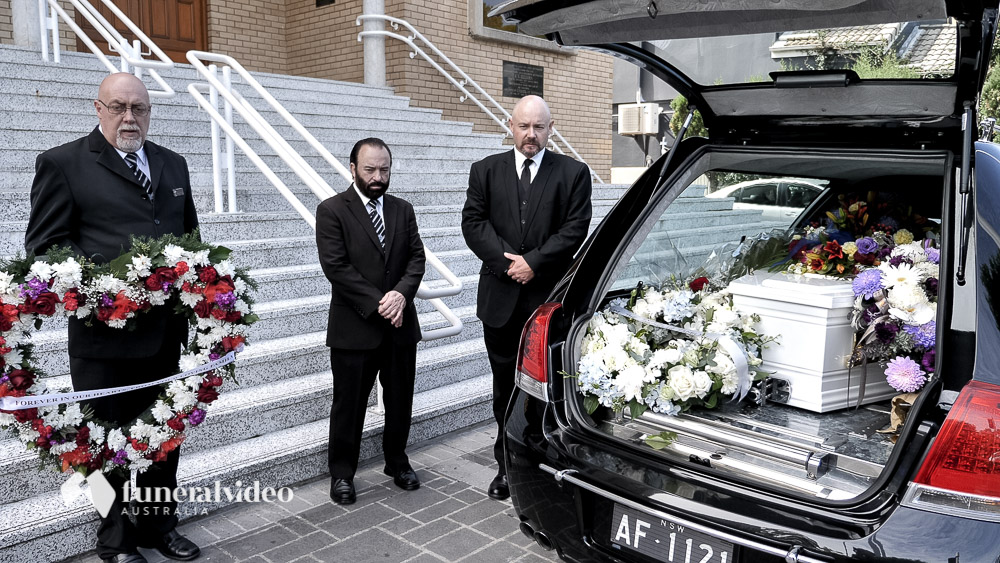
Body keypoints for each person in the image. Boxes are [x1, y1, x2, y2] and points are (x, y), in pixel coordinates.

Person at [24, 73, 200, 563]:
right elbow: (45, 246)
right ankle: (114, 539)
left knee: (164, 436)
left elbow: (190, 238)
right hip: (103, 338)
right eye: (118, 106)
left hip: (164, 334)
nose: (129, 118)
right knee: (102, 445)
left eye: (139, 108)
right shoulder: (63, 163)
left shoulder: (172, 163)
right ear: (98, 108)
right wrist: (107, 288)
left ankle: (159, 526)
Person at [461, 95, 592, 500]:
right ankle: (506, 467)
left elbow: (575, 228)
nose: (530, 134)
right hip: (499, 302)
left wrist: (533, 262)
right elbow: (473, 223)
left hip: (547, 304)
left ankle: (546, 465)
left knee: (548, 389)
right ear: (511, 126)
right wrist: (509, 265)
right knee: (504, 389)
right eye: (523, 126)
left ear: (551, 128)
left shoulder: (573, 173)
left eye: (538, 126)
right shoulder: (485, 170)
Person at [316, 138, 426, 505]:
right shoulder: (332, 210)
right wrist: (381, 302)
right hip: (355, 328)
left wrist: (401, 294)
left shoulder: (403, 210)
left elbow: (416, 258)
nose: (378, 177)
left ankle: (397, 462)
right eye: (370, 169)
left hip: (399, 325)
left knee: (400, 400)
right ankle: (342, 473)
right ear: (353, 169)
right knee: (349, 405)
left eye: (384, 169)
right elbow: (336, 267)